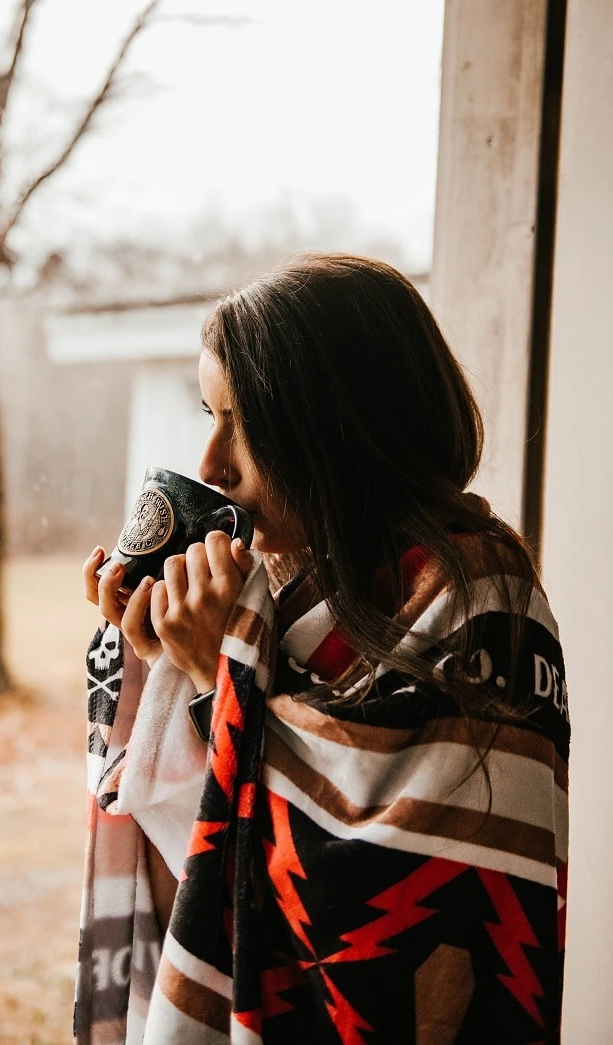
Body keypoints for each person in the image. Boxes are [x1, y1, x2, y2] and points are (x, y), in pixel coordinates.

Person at [76, 254, 568, 1045]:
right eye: (209, 415)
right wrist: (163, 660)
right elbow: (203, 866)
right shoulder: (283, 597)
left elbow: (381, 907)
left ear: (344, 427)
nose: (212, 465)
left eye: (247, 425)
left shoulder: (483, 605)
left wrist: (219, 673)